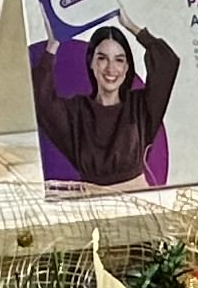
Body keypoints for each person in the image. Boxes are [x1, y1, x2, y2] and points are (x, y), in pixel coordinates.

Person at [36, 14, 179, 188]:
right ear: (91, 63)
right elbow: (41, 100)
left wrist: (131, 26)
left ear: (126, 67)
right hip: (95, 206)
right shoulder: (77, 112)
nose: (111, 68)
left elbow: (167, 62)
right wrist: (52, 45)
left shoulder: (140, 106)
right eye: (102, 58)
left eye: (119, 60)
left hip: (139, 204)